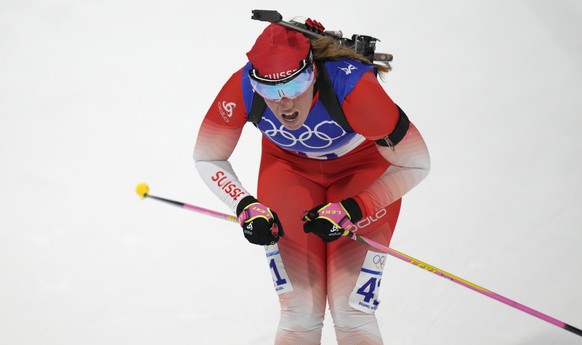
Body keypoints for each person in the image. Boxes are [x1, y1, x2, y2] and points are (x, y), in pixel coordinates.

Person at [193, 20, 430, 345]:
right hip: (288, 172)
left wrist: (357, 207)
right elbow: (207, 156)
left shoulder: (354, 89)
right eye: (270, 92)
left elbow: (416, 160)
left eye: (293, 87)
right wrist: (245, 205)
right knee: (299, 312)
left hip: (361, 172)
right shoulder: (243, 87)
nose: (284, 104)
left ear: (313, 74)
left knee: (352, 311)